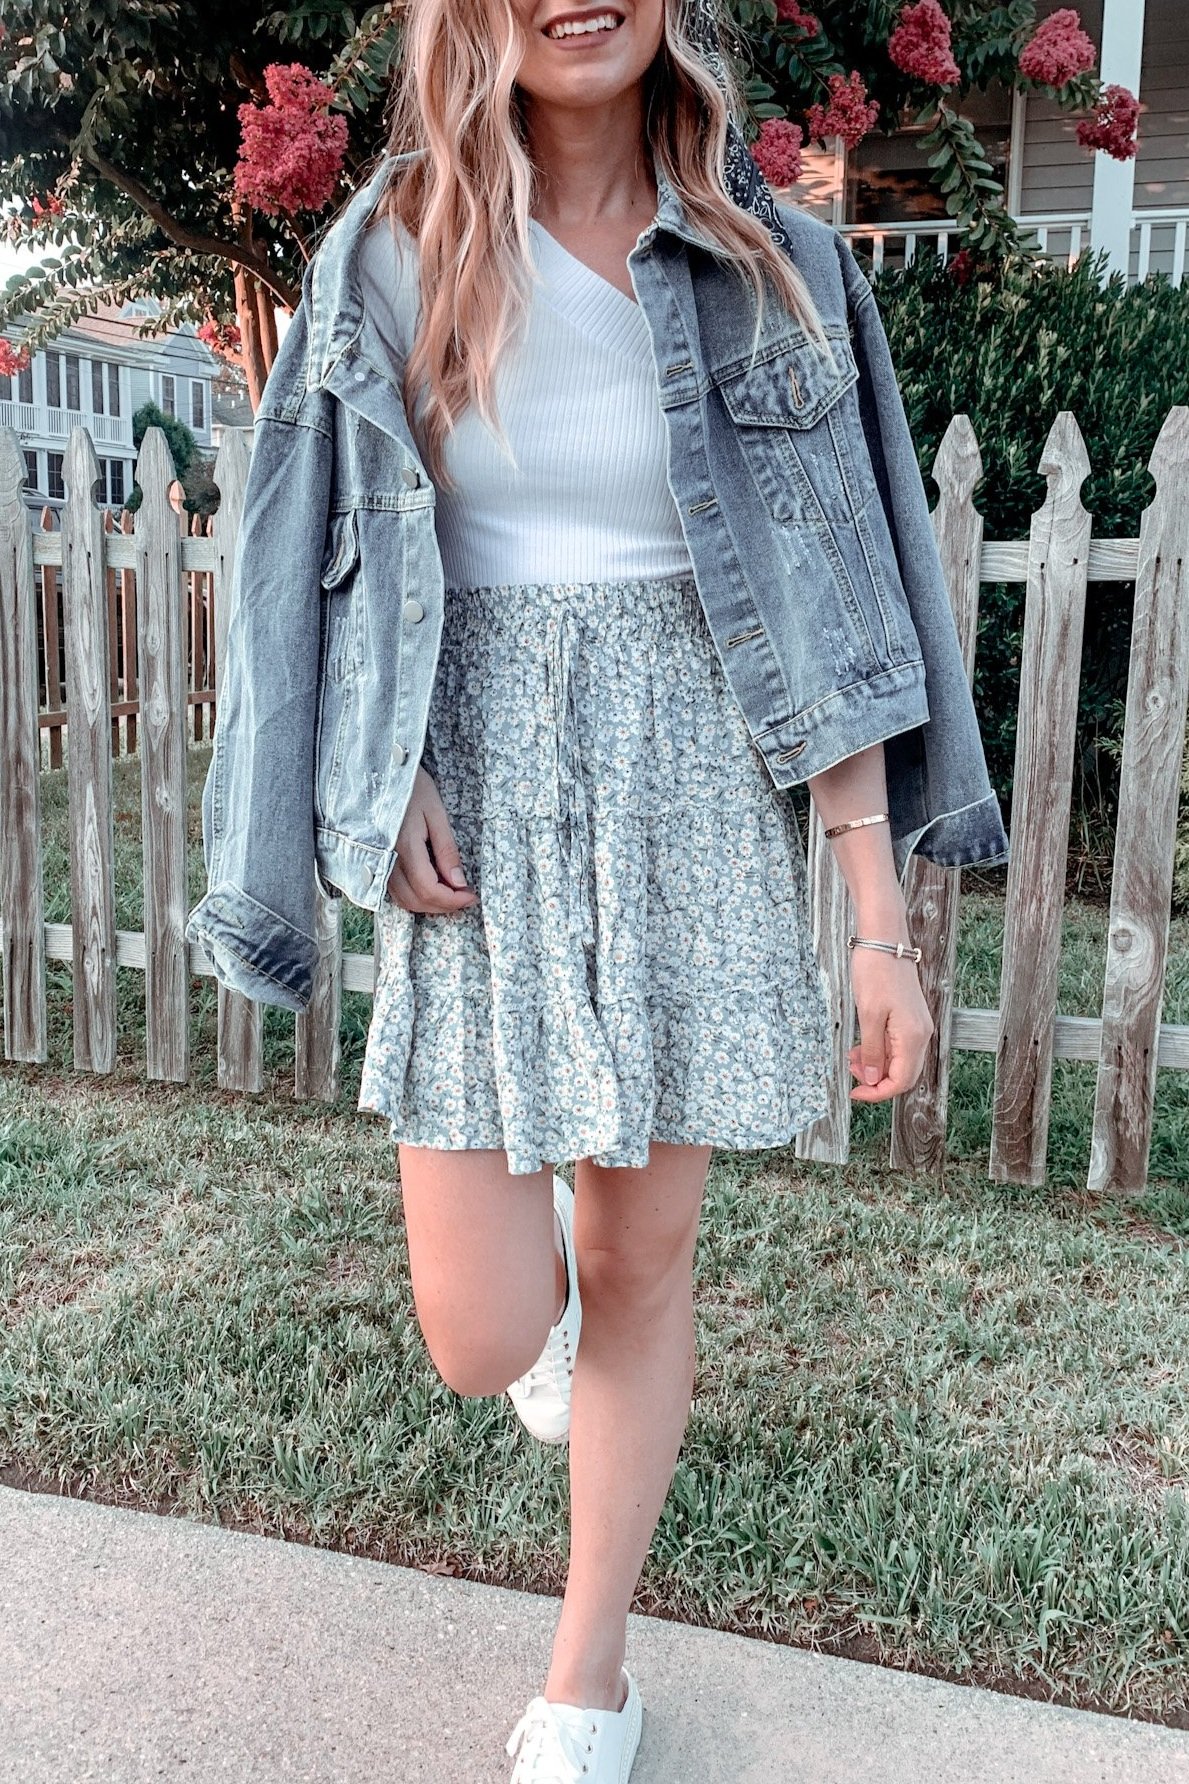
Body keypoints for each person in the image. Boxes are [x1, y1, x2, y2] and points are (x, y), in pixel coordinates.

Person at [185, 1, 1008, 1776]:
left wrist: (873, 916)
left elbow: (832, 590)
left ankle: (588, 1679)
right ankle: (545, 1314)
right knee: (484, 1338)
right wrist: (381, 764)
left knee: (642, 1266)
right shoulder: (390, 249)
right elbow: (325, 557)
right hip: (472, 782)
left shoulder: (769, 256)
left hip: (696, 777)